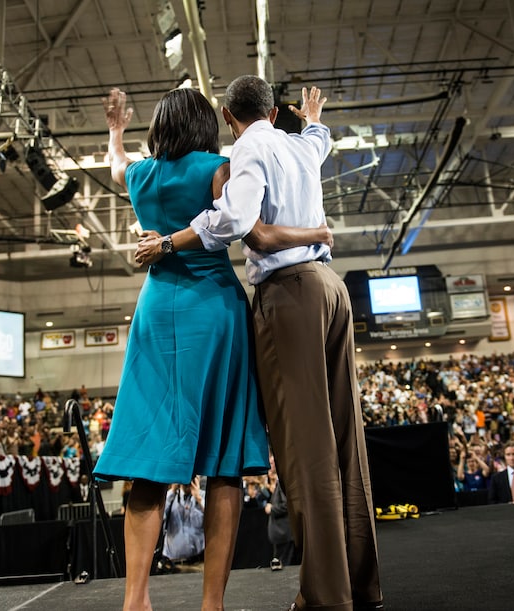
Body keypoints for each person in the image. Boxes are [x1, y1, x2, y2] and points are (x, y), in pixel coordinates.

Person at [136, 77, 383, 611]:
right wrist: (314, 118)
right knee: (346, 445)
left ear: (229, 117)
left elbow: (238, 219)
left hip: (290, 295)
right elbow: (321, 141)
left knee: (304, 451)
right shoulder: (299, 141)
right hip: (332, 292)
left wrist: (168, 241)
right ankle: (361, 586)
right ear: (275, 111)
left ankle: (326, 598)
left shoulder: (247, 146)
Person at [92, 86, 328, 611]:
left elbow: (115, 165)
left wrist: (114, 130)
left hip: (157, 311)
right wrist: (313, 225)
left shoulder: (140, 176)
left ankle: (135, 599)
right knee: (223, 463)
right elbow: (246, 226)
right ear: (209, 123)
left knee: (150, 465)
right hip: (216, 312)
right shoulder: (219, 167)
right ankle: (212, 604)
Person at [160, 477, 205, 573]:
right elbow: (159, 517)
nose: (189, 480)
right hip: (172, 565)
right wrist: (172, 490)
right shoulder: (170, 498)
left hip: (198, 565)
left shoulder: (204, 497)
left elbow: (214, 521)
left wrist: (199, 499)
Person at [264, 456, 295, 571]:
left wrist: (271, 509)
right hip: (280, 534)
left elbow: (287, 505)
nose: (270, 465)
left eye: (272, 463)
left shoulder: (283, 482)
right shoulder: (279, 482)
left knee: (283, 569)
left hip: (283, 533)